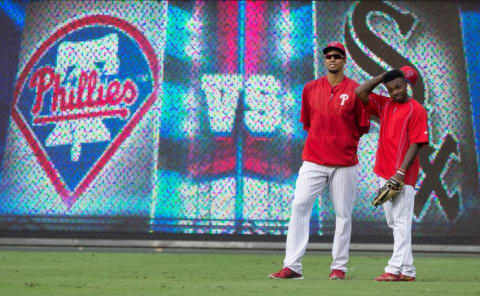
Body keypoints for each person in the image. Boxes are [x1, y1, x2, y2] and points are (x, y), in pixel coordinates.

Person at [269, 42, 370, 280]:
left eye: (337, 56)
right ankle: (292, 266)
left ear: (344, 61)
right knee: (299, 206)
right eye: (328, 56)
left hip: (344, 162)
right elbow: (307, 122)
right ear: (324, 61)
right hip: (314, 160)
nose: (332, 59)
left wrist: (343, 142)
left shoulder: (356, 91)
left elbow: (362, 126)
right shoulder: (310, 88)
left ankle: (339, 268)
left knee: (343, 215)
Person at [354, 66, 429, 282]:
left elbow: (416, 144)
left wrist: (401, 173)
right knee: (394, 222)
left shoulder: (417, 110)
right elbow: (360, 93)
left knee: (401, 222)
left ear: (406, 85)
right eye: (391, 89)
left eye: (398, 87)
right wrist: (382, 78)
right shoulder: (385, 104)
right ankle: (408, 270)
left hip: (402, 176)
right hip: (383, 172)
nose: (395, 92)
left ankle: (394, 269)